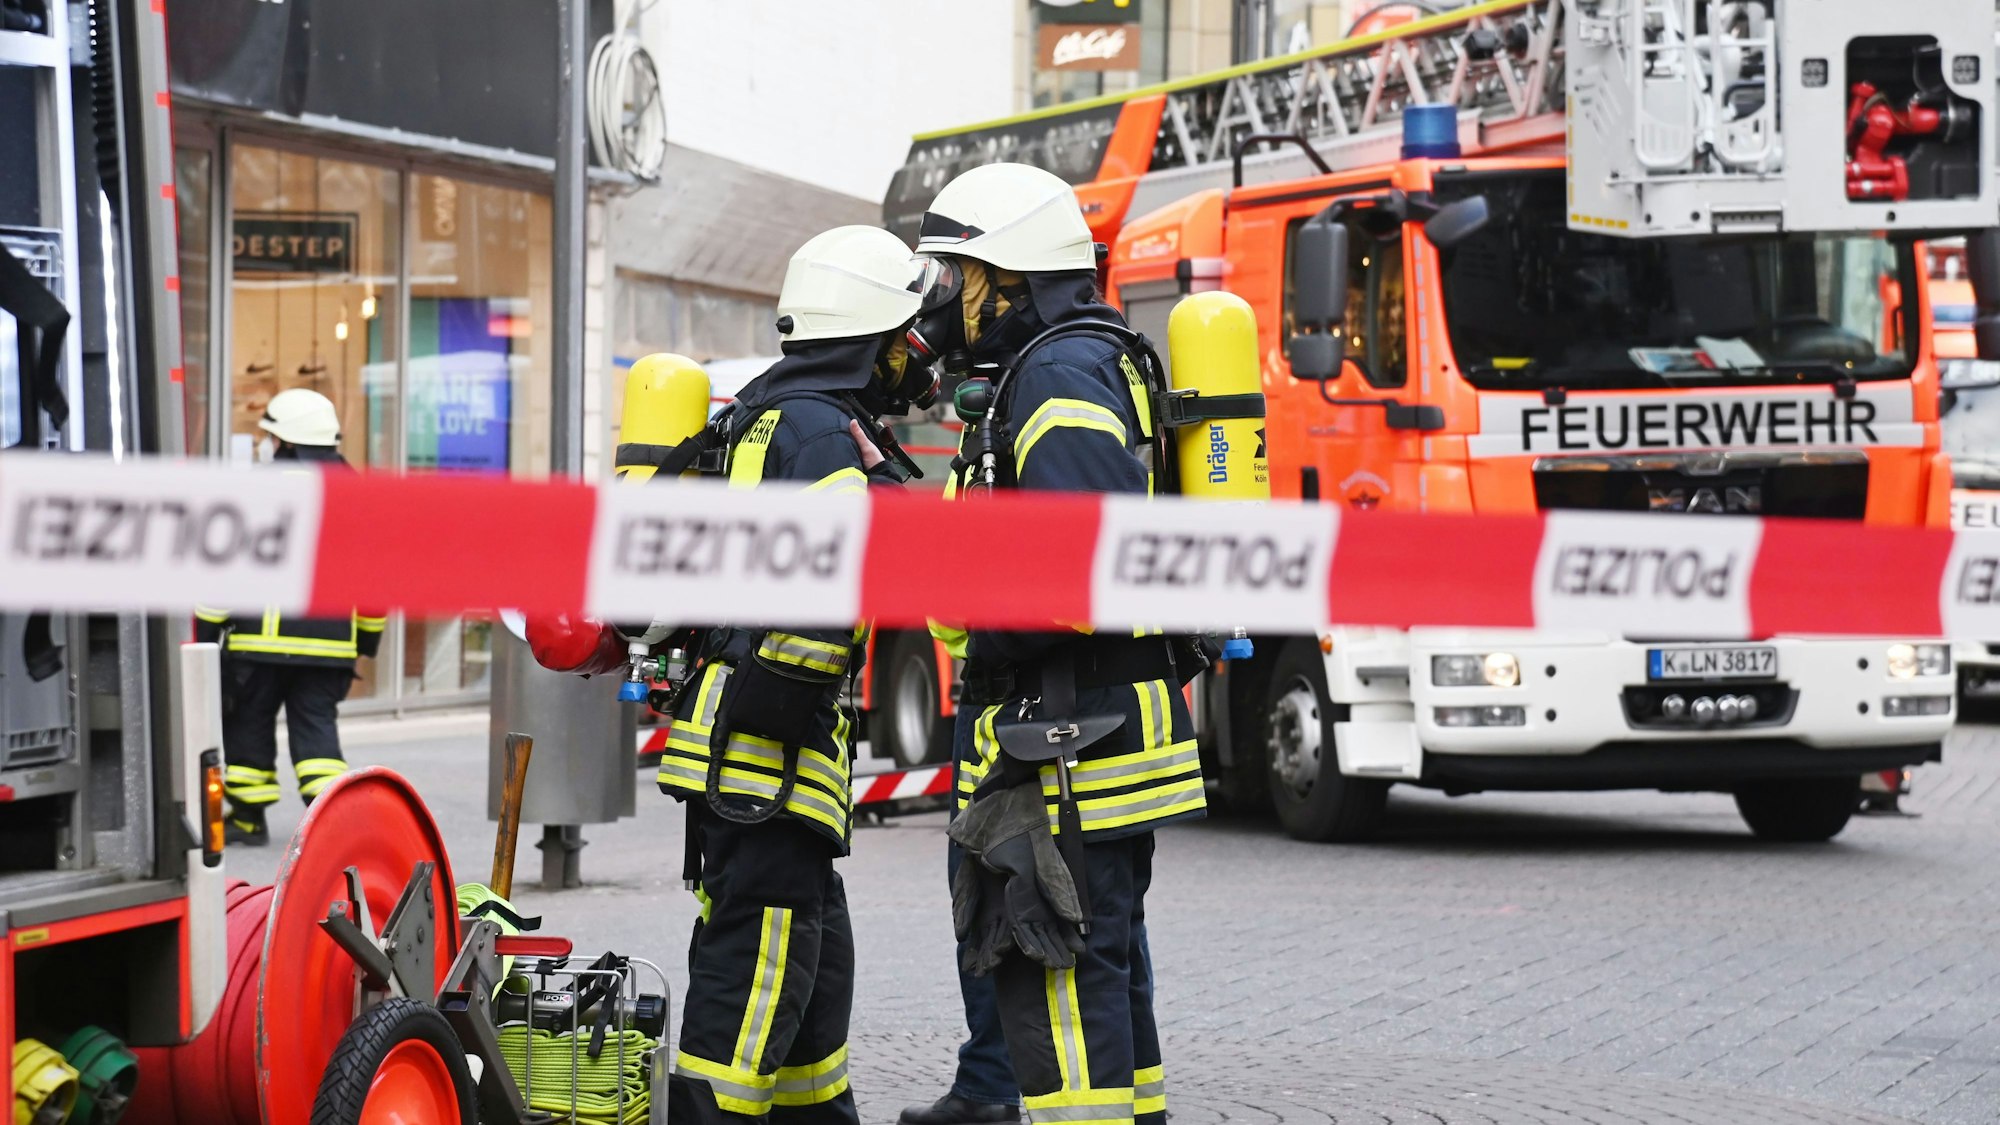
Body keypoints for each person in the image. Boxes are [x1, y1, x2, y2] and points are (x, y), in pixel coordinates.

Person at [530, 225, 935, 1125]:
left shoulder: (766, 416)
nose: (917, 352)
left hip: (756, 768)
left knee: (810, 994)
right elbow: (823, 602)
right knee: (749, 998)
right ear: (869, 334)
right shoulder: (821, 431)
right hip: (770, 773)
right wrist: (782, 727)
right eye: (905, 333)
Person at [908, 163, 1202, 1125]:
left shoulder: (1058, 373)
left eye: (954, 274)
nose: (941, 297)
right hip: (1086, 726)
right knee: (1105, 961)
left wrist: (983, 626)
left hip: (1072, 734)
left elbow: (1084, 567)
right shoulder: (1063, 364)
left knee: (1064, 973)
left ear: (1008, 275)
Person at [195, 388, 384, 846]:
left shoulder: (258, 489)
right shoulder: (361, 495)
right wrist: (364, 646)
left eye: (270, 436)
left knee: (249, 728)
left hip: (259, 644)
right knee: (318, 735)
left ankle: (246, 820)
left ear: (285, 441)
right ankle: (333, 826)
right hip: (331, 647)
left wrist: (206, 629)